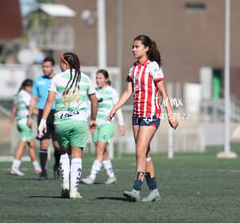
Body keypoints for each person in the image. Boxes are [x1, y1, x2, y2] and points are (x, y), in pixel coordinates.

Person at [108, 35, 179, 202]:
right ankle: (154, 191)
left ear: (146, 48)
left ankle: (136, 189)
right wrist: (114, 108)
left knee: (139, 151)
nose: (133, 49)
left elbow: (163, 93)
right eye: (132, 46)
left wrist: (170, 114)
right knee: (145, 154)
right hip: (137, 115)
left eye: (137, 46)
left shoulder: (153, 67)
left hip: (151, 114)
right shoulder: (133, 68)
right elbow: (128, 92)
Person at [38, 52, 98, 199]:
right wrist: (93, 119)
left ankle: (65, 183)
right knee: (77, 156)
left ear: (65, 63)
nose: (60, 64)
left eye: (61, 62)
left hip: (61, 122)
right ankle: (74, 190)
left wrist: (42, 121)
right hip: (79, 122)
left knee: (64, 153)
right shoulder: (85, 78)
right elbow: (94, 101)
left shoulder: (57, 79)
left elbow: (49, 101)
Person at [81, 69, 125, 185]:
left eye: (100, 78)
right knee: (102, 151)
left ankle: (92, 176)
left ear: (107, 79)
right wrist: (84, 120)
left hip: (107, 124)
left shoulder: (112, 92)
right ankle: (111, 176)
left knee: (100, 149)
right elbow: (89, 108)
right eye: (96, 78)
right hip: (95, 124)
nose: (97, 80)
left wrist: (121, 124)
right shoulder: (93, 92)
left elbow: (117, 108)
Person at [28, 56, 61, 180]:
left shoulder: (59, 79)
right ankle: (43, 172)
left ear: (53, 67)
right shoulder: (38, 81)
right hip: (43, 114)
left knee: (58, 145)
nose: (44, 69)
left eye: (47, 66)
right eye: (43, 66)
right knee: (44, 143)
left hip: (57, 113)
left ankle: (57, 166)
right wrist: (29, 116)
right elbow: (33, 99)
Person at [5, 79, 42, 176]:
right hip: (25, 123)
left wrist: (10, 123)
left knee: (32, 145)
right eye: (30, 87)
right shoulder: (25, 96)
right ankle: (14, 167)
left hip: (21, 123)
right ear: (25, 86)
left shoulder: (18, 95)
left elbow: (14, 110)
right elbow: (32, 110)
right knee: (22, 145)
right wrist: (45, 115)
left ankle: (37, 167)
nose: (31, 89)